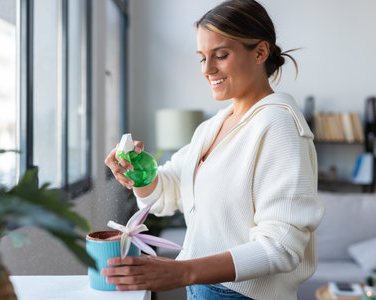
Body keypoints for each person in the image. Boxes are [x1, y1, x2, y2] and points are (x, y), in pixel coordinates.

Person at [104, 0, 325, 299]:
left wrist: (183, 271)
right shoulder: (213, 126)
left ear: (260, 52)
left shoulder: (278, 125)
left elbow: (282, 246)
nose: (207, 69)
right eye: (201, 57)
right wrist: (138, 170)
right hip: (202, 289)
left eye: (221, 55)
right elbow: (166, 193)